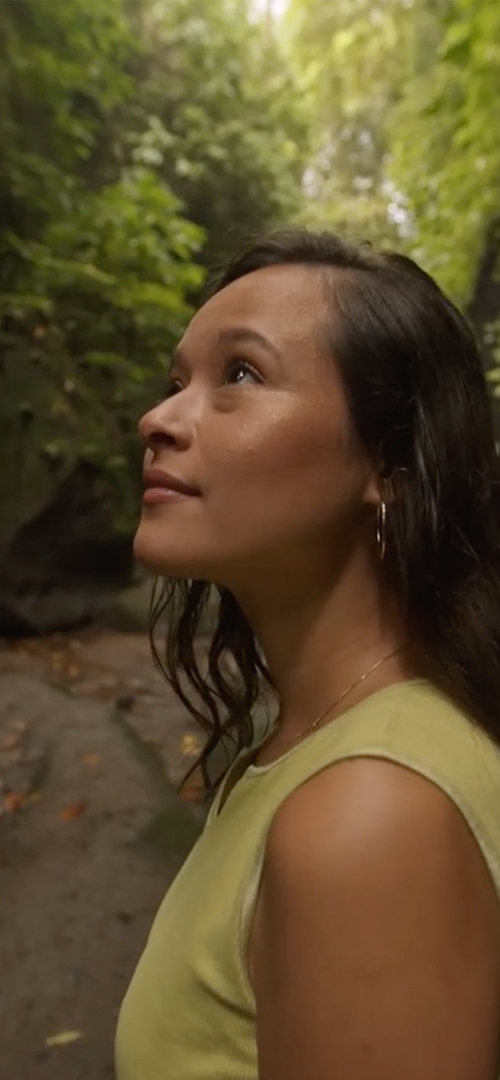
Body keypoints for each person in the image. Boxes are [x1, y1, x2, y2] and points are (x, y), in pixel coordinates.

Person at [115, 229, 500, 1080]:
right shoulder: (317, 746)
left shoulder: (371, 815)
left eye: (241, 374)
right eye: (176, 384)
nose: (157, 419)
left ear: (390, 464)